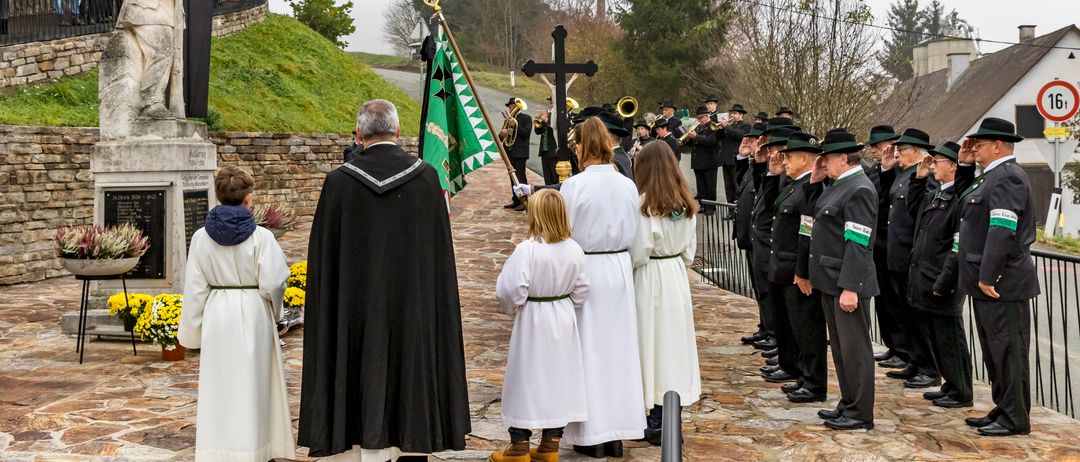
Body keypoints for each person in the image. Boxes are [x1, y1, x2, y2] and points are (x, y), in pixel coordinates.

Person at [298, 100, 471, 461]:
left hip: (354, 311)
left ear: (359, 135)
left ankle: (359, 441)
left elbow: (323, 262)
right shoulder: (426, 178)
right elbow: (439, 257)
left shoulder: (339, 183)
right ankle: (414, 442)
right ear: (397, 130)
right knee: (411, 370)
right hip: (414, 308)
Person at [178, 165, 296, 462]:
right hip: (253, 311)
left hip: (218, 312)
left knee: (221, 385)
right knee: (255, 385)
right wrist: (277, 312)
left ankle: (220, 451)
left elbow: (194, 287)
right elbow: (273, 282)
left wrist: (192, 331)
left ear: (217, 196)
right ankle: (257, 448)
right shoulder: (261, 237)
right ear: (249, 198)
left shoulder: (201, 238)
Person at [559, 117, 645, 458]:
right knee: (619, 351)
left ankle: (593, 434)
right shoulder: (626, 184)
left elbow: (563, 233)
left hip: (587, 267)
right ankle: (617, 433)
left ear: (583, 146)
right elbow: (636, 232)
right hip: (619, 268)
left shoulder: (574, 186)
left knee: (589, 352)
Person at [492, 189, 591, 462]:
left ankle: (520, 446)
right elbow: (583, 289)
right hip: (562, 315)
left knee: (526, 378)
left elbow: (511, 290)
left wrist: (516, 306)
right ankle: (550, 444)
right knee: (559, 378)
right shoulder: (574, 249)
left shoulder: (527, 250)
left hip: (533, 319)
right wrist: (567, 304)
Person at [956, 117, 1039, 437]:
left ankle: (1016, 417)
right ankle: (1003, 407)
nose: (974, 148)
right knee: (994, 351)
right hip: (984, 281)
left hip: (1002, 282)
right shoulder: (987, 177)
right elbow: (964, 205)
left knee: (1009, 351)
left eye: (979, 145)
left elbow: (1002, 231)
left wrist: (989, 275)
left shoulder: (1008, 178)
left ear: (998, 146)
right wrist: (964, 166)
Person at [630, 141, 701, 446]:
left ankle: (656, 418)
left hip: (651, 276)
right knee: (673, 345)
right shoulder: (685, 203)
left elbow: (639, 250)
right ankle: (671, 414)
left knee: (652, 344)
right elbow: (689, 251)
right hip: (676, 276)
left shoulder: (644, 204)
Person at [808, 129, 878, 431]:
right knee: (839, 349)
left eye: (826, 157)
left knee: (856, 351)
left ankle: (861, 412)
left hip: (845, 284)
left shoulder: (859, 188)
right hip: (829, 282)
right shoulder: (837, 185)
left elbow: (857, 243)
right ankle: (848, 402)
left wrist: (850, 287)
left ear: (841, 158)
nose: (823, 163)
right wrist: (814, 181)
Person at [905, 141, 976, 409]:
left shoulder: (958, 198)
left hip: (942, 282)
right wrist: (918, 179)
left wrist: (944, 282)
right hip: (926, 278)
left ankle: (962, 391)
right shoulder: (938, 194)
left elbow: (957, 247)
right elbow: (913, 210)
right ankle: (950, 385)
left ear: (953, 166)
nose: (932, 166)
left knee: (951, 340)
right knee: (937, 338)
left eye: (937, 163)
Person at [770, 132, 828, 404]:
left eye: (789, 157)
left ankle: (814, 382)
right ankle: (801, 374)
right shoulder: (794, 185)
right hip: (783, 267)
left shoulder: (813, 188)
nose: (784, 162)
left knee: (808, 329)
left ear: (804, 159)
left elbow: (808, 233)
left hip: (797, 270)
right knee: (792, 326)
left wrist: (802, 271)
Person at [885, 128, 942, 389]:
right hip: (896, 254)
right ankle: (914, 360)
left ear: (917, 153)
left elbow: (923, 215)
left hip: (910, 254)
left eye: (903, 150)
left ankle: (929, 367)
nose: (898, 154)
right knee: (903, 313)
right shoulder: (903, 175)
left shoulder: (925, 177)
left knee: (917, 315)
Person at [864, 125, 906, 370]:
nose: (876, 151)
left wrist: (888, 169)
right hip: (877, 244)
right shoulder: (873, 171)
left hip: (891, 243)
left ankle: (903, 348)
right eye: (875, 147)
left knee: (896, 300)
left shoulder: (899, 172)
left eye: (879, 146)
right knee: (884, 301)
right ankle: (893, 345)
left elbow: (886, 199)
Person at [684, 106, 720, 215]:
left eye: (700, 118)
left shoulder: (713, 126)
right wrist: (688, 138)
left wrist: (695, 137)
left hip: (709, 161)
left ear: (706, 116)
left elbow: (711, 142)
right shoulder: (698, 126)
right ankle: (702, 206)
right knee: (700, 186)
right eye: (698, 118)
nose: (699, 120)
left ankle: (710, 207)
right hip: (698, 161)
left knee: (710, 186)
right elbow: (691, 144)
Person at [501, 98, 533, 212]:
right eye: (509, 107)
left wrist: (516, 125)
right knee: (512, 177)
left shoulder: (526, 118)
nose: (510, 109)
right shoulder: (508, 120)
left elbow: (526, 133)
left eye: (512, 107)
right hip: (509, 151)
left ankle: (524, 201)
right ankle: (515, 199)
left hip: (520, 152)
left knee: (520, 177)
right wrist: (502, 134)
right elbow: (502, 138)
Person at [716, 104, 751, 203]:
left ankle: (738, 210)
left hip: (736, 160)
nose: (732, 115)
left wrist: (726, 126)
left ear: (741, 115)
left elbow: (739, 135)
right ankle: (730, 209)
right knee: (728, 187)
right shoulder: (728, 126)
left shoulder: (746, 126)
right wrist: (721, 127)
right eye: (732, 113)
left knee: (737, 187)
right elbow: (718, 137)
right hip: (726, 160)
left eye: (735, 113)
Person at [535, 108, 559, 185]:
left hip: (553, 152)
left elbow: (554, 129)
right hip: (544, 152)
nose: (550, 104)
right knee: (547, 178)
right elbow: (537, 132)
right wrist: (538, 122)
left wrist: (546, 120)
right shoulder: (546, 116)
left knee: (555, 177)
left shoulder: (555, 116)